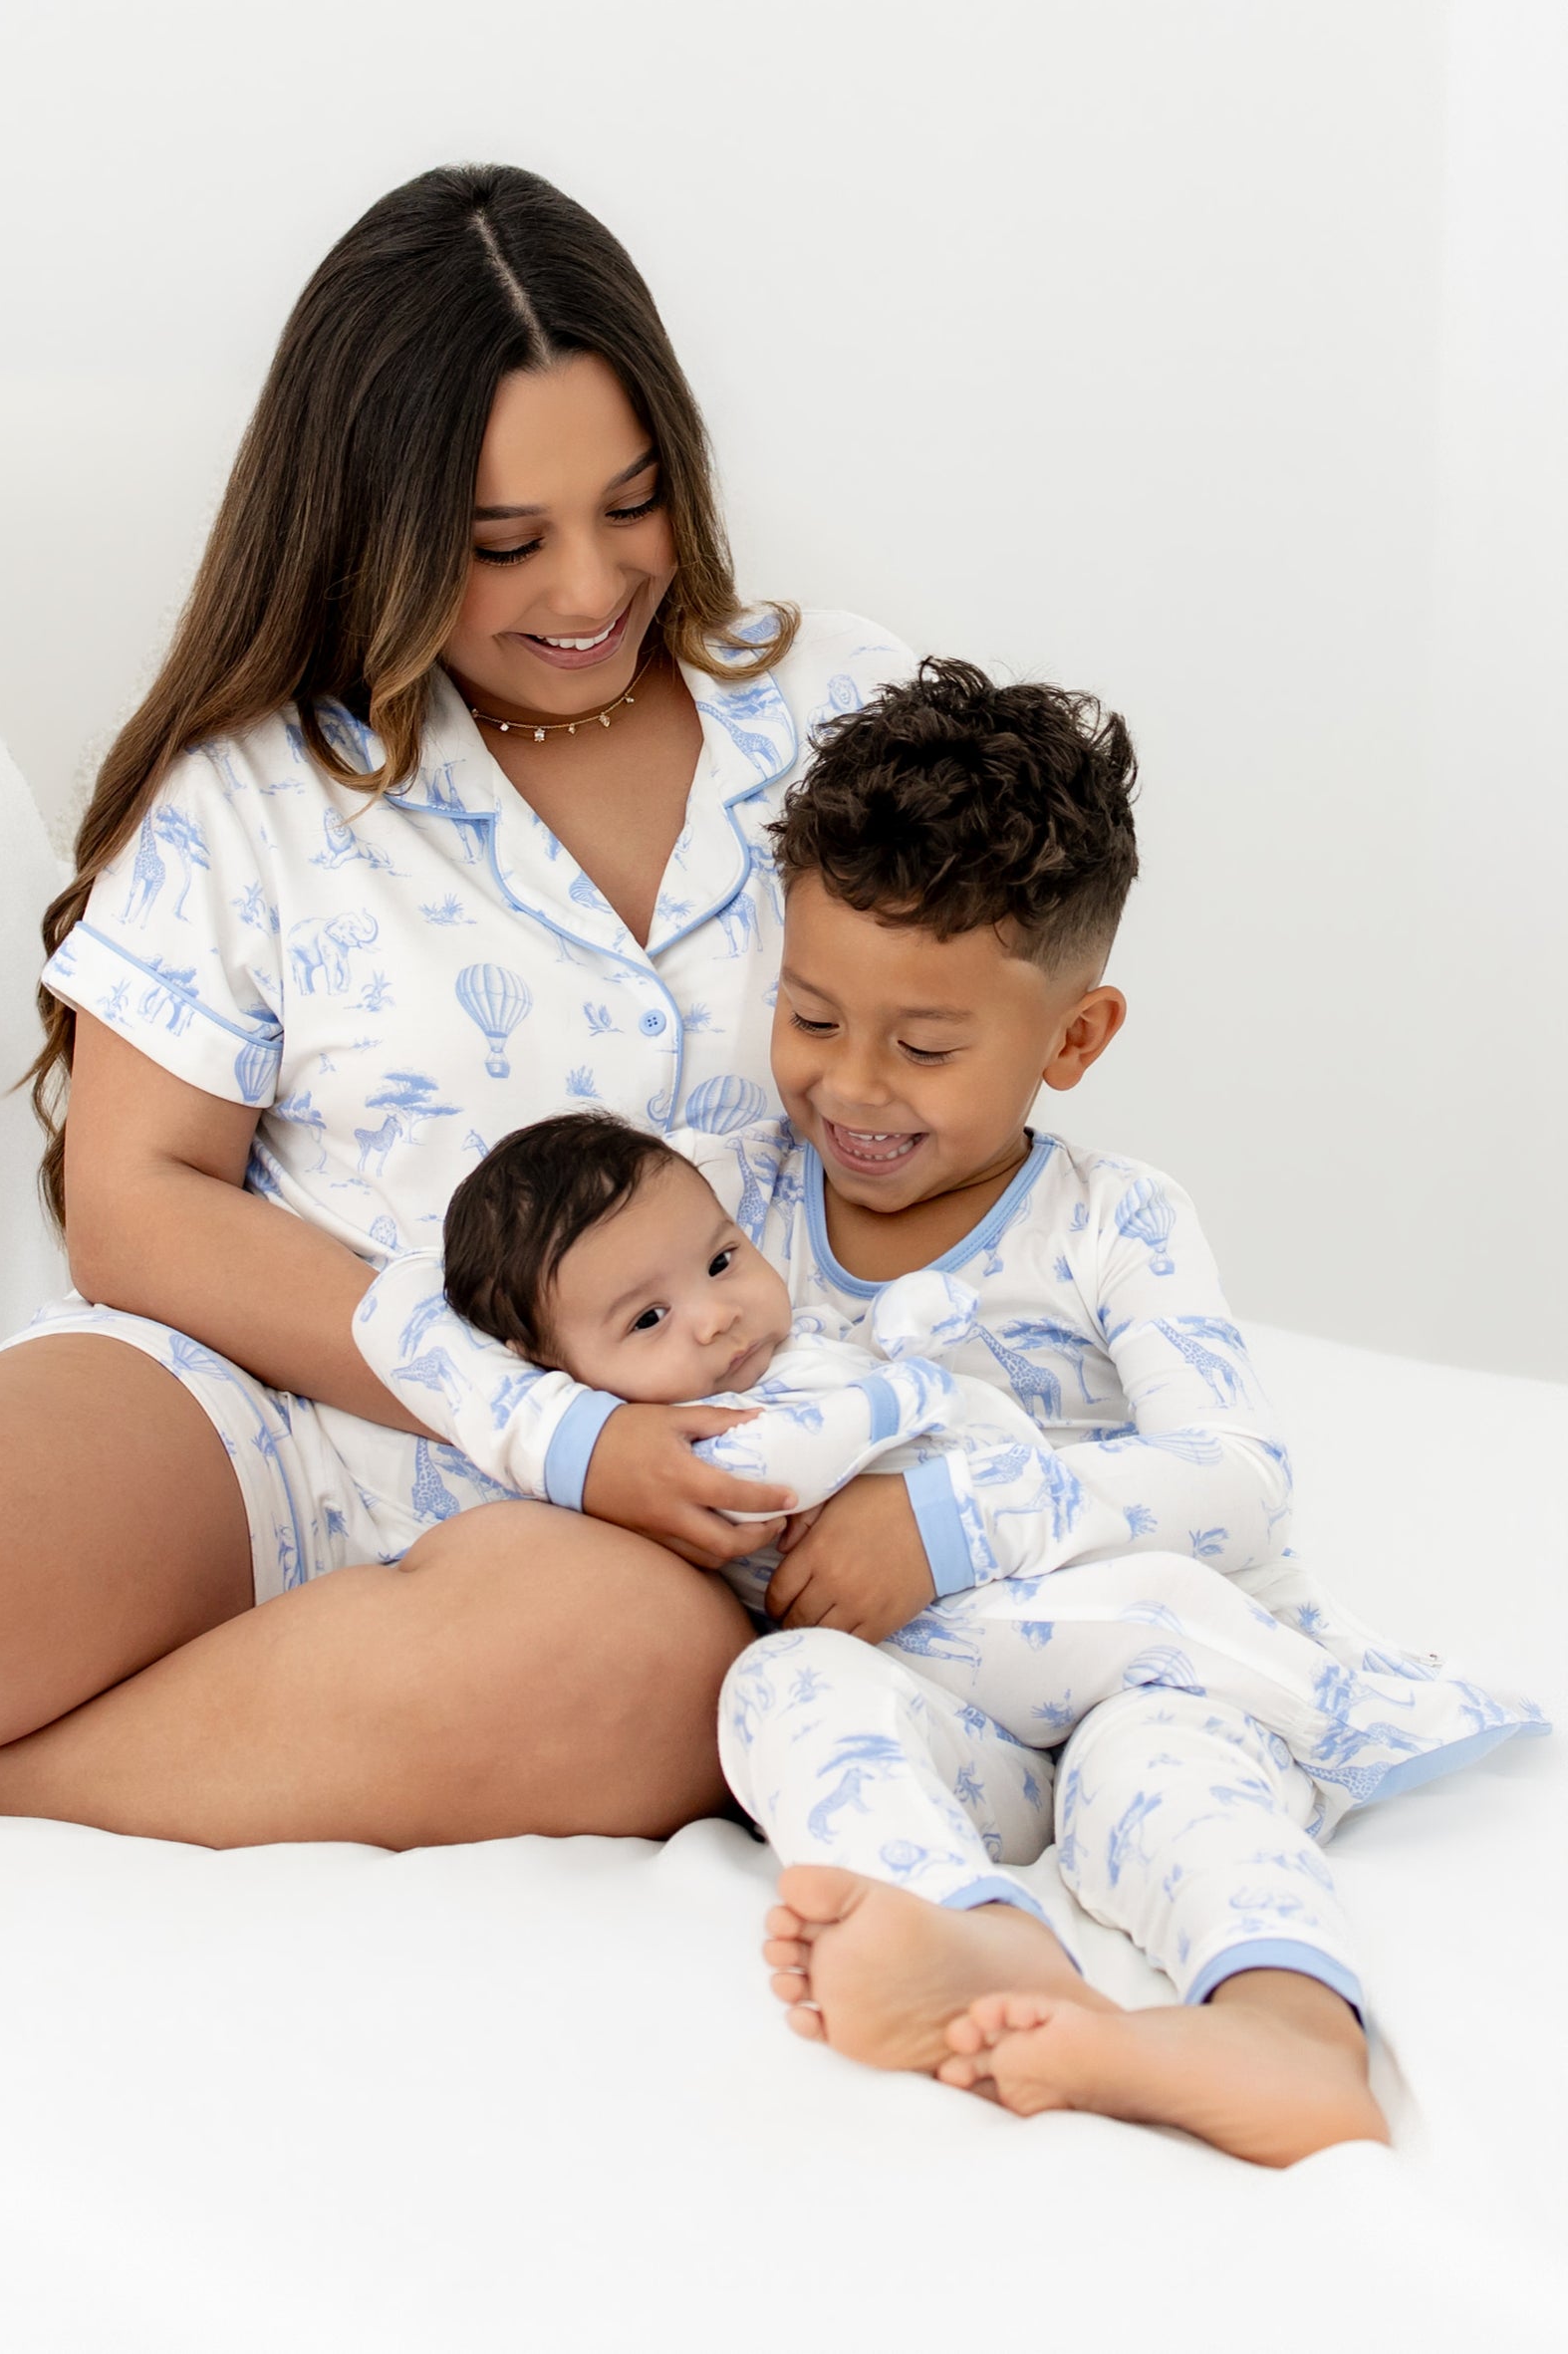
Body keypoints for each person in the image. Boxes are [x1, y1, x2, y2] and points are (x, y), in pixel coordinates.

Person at [0, 163, 910, 1848]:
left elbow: (969, 1086)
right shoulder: (257, 792)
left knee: (618, 1681)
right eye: (504, 544)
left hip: (663, 1499)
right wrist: (515, 1407)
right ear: (373, 528)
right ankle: (101, 1686)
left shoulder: (838, 712)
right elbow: (133, 1206)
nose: (591, 588)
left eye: (633, 502)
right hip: (271, 1398)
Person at [354, 662, 1544, 2167]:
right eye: (809, 1015)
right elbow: (404, 1298)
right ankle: (984, 1946)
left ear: (1073, 1039)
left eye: (924, 1049)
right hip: (946, 1716)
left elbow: (1238, 1478)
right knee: (777, 1699)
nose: (853, 1087)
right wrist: (578, 1442)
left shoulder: (1119, 1224)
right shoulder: (715, 1194)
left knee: (1170, 1782)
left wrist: (951, 1516)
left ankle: (1288, 2036)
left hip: (1129, 1652)